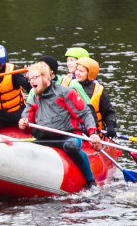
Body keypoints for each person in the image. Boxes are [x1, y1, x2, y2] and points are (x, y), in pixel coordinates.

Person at [19, 60, 99, 190]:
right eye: (29, 79)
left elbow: (85, 114)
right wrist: (23, 123)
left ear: (45, 77)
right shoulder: (34, 98)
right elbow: (26, 121)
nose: (31, 82)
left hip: (67, 136)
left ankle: (90, 182)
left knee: (71, 146)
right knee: (24, 150)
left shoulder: (65, 93)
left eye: (35, 78)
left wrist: (93, 133)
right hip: (45, 139)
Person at [72, 57, 117, 138]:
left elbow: (108, 112)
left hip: (94, 133)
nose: (77, 73)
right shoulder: (69, 85)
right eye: (77, 70)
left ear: (90, 74)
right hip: (73, 130)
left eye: (81, 71)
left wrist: (111, 126)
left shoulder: (99, 90)